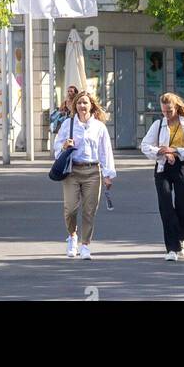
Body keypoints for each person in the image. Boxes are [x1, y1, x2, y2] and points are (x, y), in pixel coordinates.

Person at [54, 90, 116, 258]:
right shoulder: (68, 124)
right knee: (71, 209)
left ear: (91, 105)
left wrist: (108, 173)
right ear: (75, 105)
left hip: (93, 171)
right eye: (79, 103)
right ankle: (72, 236)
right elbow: (57, 146)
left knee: (89, 210)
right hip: (72, 171)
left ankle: (86, 245)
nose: (82, 105)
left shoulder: (99, 127)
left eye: (85, 103)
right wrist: (64, 146)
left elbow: (105, 151)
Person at [141, 92, 184, 261]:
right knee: (166, 206)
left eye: (170, 111)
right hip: (163, 168)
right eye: (164, 111)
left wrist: (174, 151)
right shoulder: (159, 125)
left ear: (176, 108)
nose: (167, 114)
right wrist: (161, 151)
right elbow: (145, 146)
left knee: (183, 205)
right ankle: (172, 248)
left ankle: (182, 235)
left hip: (182, 166)